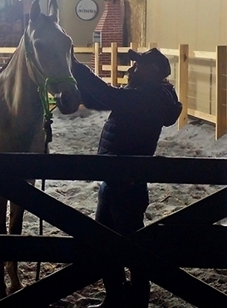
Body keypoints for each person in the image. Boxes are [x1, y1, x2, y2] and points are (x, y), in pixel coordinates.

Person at [70, 48, 183, 308]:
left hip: (126, 182)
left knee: (131, 248)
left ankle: (136, 301)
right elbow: (103, 97)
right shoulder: (146, 95)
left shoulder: (148, 98)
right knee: (106, 243)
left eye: (138, 65)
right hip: (116, 178)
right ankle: (116, 298)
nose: (132, 68)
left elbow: (108, 95)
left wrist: (76, 66)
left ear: (151, 71)